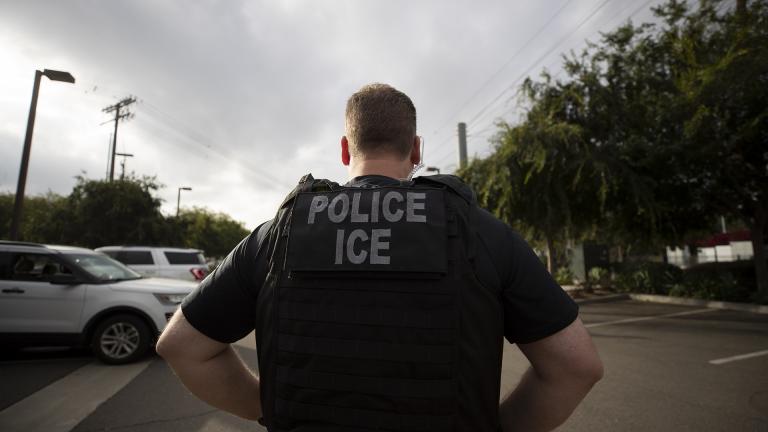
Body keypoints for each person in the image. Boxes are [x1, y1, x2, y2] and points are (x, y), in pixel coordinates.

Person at [158, 83, 603, 432]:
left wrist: (265, 407)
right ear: (416, 151)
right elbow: (576, 367)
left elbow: (181, 347)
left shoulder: (280, 233)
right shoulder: (479, 231)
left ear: (346, 150)